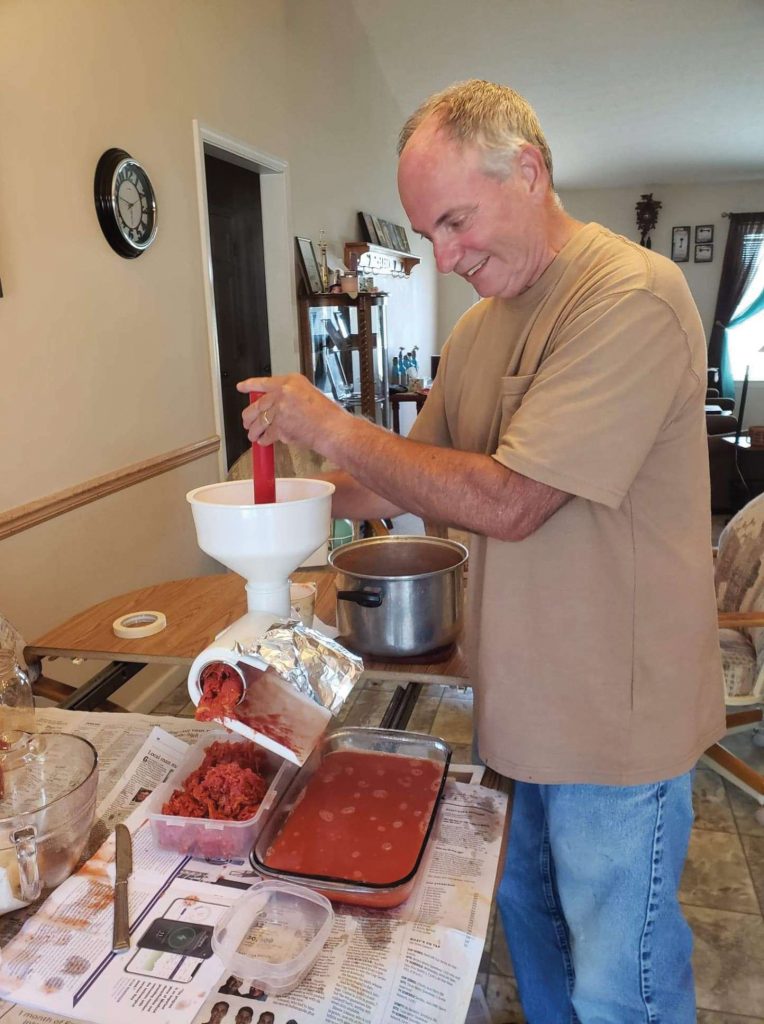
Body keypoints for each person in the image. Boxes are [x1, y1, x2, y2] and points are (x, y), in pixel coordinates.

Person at [238, 79, 725, 1023]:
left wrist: (333, 422)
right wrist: (280, 512)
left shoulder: (630, 296)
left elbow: (509, 501)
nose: (447, 256)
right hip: (519, 706)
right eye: (429, 234)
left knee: (618, 984)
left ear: (529, 172)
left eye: (456, 222)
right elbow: (403, 478)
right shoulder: (478, 327)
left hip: (617, 727)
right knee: (533, 931)